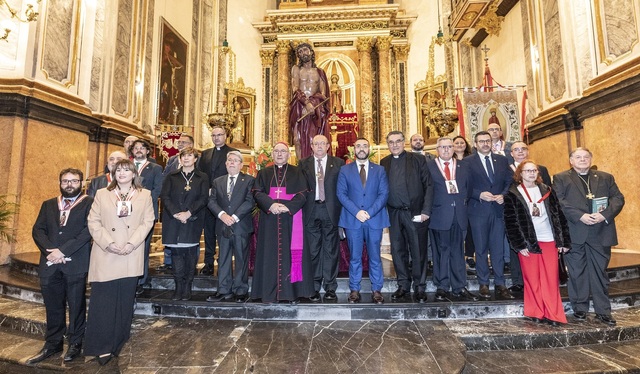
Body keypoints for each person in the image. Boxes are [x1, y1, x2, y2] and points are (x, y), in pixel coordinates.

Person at [84, 159, 155, 366]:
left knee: (124, 303)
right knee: (102, 302)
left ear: (134, 174)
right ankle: (100, 347)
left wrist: (132, 244)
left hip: (130, 253)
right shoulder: (102, 194)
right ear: (113, 174)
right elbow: (93, 221)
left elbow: (148, 221)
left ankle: (117, 344)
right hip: (107, 252)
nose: (122, 173)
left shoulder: (145, 195)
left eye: (126, 170)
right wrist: (108, 243)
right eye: (118, 170)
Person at [28, 169, 93, 365]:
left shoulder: (89, 203)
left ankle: (75, 343)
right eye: (65, 181)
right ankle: (52, 343)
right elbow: (37, 229)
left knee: (76, 305)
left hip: (76, 262)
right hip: (50, 264)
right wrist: (50, 252)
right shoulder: (48, 204)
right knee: (53, 306)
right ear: (60, 183)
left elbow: (88, 231)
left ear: (81, 183)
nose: (69, 184)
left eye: (74, 181)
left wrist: (63, 251)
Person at [553, 148, 625, 326]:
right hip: (576, 230)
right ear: (571, 160)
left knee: (599, 273)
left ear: (591, 159)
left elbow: (618, 198)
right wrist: (580, 216)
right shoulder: (560, 178)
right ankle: (580, 308)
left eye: (586, 157)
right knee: (577, 273)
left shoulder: (605, 177)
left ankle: (603, 311)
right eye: (578, 157)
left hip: (601, 231)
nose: (582, 160)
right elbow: (559, 201)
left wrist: (604, 215)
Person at [504, 160, 571, 326]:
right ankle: (535, 312)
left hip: (549, 239)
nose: (531, 173)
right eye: (527, 171)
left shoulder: (547, 190)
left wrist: (563, 241)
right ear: (520, 174)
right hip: (528, 242)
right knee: (532, 278)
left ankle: (553, 313)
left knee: (550, 278)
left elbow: (558, 216)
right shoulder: (513, 193)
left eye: (534, 170)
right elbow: (511, 222)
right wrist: (519, 245)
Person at [251, 142, 313, 303]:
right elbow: (257, 192)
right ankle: (267, 292)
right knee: (269, 254)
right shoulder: (263, 173)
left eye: (283, 151)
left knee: (290, 255)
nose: (279, 154)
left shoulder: (297, 172)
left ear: (288, 155)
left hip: (290, 219)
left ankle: (291, 292)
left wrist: (287, 207)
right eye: (276, 151)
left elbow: (303, 194)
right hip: (269, 218)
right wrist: (271, 205)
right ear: (272, 154)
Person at [381, 131, 433, 302]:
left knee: (418, 250)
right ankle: (403, 284)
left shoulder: (418, 160)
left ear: (404, 143)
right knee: (397, 250)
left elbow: (429, 186)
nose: (394, 145)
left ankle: (419, 286)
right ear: (387, 144)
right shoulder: (384, 162)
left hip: (415, 212)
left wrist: (425, 211)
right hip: (394, 213)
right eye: (391, 142)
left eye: (398, 141)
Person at [337, 138, 390, 304]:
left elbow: (384, 194)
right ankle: (354, 289)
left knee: (375, 257)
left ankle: (376, 290)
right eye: (358, 146)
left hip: (374, 219)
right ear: (354, 149)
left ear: (369, 149)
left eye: (364, 146)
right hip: (353, 220)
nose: (361, 149)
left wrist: (369, 212)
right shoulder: (345, 170)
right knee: (355, 257)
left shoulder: (379, 170)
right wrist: (356, 212)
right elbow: (341, 194)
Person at [427, 138, 479, 302]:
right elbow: (426, 190)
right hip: (439, 215)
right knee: (441, 251)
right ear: (437, 149)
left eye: (449, 146)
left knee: (458, 251)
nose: (446, 150)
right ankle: (442, 286)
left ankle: (459, 286)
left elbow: (469, 189)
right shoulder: (429, 167)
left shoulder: (464, 166)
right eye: (443, 147)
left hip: (459, 214)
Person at [466, 131, 514, 300]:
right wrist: (478, 194)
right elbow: (464, 185)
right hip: (478, 210)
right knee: (480, 249)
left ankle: (500, 283)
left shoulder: (501, 160)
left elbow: (510, 181)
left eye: (487, 141)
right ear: (476, 143)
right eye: (481, 141)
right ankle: (484, 283)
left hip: (498, 210)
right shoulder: (467, 162)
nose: (485, 144)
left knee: (498, 249)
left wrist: (504, 194)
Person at [300, 135, 345, 302]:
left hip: (330, 210)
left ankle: (330, 287)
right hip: (311, 211)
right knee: (312, 250)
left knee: (331, 251)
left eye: (322, 144)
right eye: (316, 143)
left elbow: (342, 189)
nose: (319, 146)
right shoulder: (303, 164)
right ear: (311, 146)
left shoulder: (338, 163)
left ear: (328, 146)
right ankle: (314, 285)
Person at [160, 147, 209, 300]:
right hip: (173, 219)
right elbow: (165, 197)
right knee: (176, 254)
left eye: (190, 156)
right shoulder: (171, 176)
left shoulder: (202, 177)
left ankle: (187, 286)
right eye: (183, 156)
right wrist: (176, 213)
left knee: (189, 254)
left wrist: (188, 212)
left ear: (195, 159)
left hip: (192, 219)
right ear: (180, 159)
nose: (186, 158)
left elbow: (203, 198)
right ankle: (178, 287)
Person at [207, 151, 255, 303]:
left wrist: (234, 217)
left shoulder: (249, 180)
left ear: (241, 165)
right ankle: (223, 290)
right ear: (226, 164)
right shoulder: (218, 181)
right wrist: (222, 215)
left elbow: (250, 201)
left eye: (236, 160)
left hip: (240, 225)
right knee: (223, 259)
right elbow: (211, 201)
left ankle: (240, 290)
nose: (232, 162)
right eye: (229, 160)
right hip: (222, 225)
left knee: (241, 258)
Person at [506, 140, 552, 296]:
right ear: (511, 153)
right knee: (518, 248)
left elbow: (549, 192)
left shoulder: (541, 169)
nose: (520, 152)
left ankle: (541, 280)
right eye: (516, 150)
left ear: (528, 151)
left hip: (541, 219)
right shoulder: (506, 169)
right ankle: (518, 281)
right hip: (519, 217)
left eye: (523, 149)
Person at [197, 125, 237, 276]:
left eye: (219, 135)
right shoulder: (205, 154)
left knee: (223, 232)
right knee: (208, 232)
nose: (216, 138)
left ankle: (223, 260)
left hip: (225, 199)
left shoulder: (233, 153)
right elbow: (200, 174)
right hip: (208, 199)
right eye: (214, 135)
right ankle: (208, 262)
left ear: (225, 136)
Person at [131, 139, 164, 295]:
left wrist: (144, 203)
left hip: (146, 213)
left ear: (147, 151)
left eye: (142, 148)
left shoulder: (155, 168)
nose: (138, 150)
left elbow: (158, 189)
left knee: (142, 247)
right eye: (136, 148)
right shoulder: (126, 167)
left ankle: (140, 280)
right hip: (126, 213)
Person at [158, 134, 195, 273]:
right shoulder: (172, 160)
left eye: (183, 142)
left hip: (189, 203)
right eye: (179, 142)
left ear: (191, 145)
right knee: (170, 233)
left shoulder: (197, 159)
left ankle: (190, 263)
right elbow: (165, 177)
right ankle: (168, 262)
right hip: (172, 203)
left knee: (190, 235)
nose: (179, 145)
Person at [289, 42, 330, 160]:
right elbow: (295, 88)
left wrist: (313, 104)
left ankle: (312, 166)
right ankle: (301, 165)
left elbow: (323, 94)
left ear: (311, 52)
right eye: (300, 52)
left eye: (305, 50)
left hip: (315, 109)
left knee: (314, 139)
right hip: (299, 105)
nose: (303, 53)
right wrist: (306, 103)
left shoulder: (320, 72)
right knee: (297, 139)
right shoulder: (296, 69)